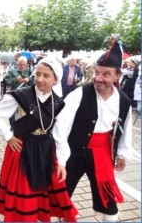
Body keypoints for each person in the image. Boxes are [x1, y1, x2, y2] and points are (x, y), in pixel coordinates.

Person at [52, 39, 133, 221]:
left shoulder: (124, 100)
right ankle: (62, 218)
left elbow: (124, 129)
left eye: (106, 74)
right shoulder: (79, 94)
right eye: (96, 72)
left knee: (107, 198)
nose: (98, 78)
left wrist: (121, 155)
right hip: (75, 149)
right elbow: (61, 126)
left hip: (103, 151)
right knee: (63, 192)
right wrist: (61, 159)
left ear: (117, 76)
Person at [0, 57, 78, 222]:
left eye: (46, 76)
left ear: (55, 80)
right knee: (23, 194)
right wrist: (8, 136)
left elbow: (60, 136)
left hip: (45, 151)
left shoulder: (58, 104)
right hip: (21, 149)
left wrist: (62, 162)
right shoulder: (20, 95)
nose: (39, 79)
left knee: (42, 192)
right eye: (37, 74)